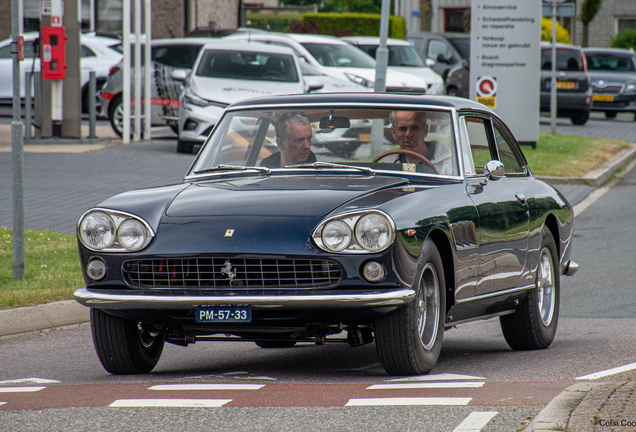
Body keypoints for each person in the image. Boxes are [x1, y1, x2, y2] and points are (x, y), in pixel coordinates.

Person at [387, 110, 452, 175]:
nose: (408, 134)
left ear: (425, 130)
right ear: (394, 133)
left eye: (415, 128)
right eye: (403, 129)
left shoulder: (451, 163)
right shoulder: (387, 165)